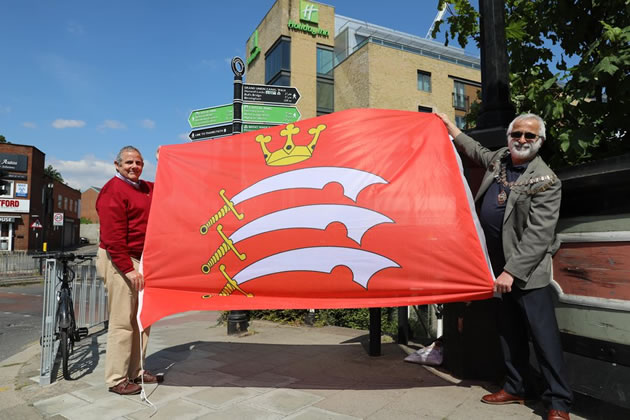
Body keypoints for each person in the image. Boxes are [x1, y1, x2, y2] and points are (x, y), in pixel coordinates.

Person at [436, 113, 573, 420]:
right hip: (495, 266)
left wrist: (511, 272)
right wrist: (451, 128)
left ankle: (559, 402)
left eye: (530, 136)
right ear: (510, 136)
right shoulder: (500, 159)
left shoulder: (547, 180)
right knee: (508, 331)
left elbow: (540, 236)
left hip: (524, 273)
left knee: (543, 337)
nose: (522, 140)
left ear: (539, 142)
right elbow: (478, 152)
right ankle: (516, 386)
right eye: (518, 134)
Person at [96, 145, 162, 395]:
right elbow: (113, 238)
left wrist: (164, 161)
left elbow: (168, 187)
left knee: (142, 319)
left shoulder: (144, 188)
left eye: (139, 163)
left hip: (140, 259)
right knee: (123, 321)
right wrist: (128, 269)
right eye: (129, 163)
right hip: (119, 259)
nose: (134, 166)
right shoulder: (113, 191)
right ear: (117, 165)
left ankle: (136, 370)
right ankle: (116, 378)